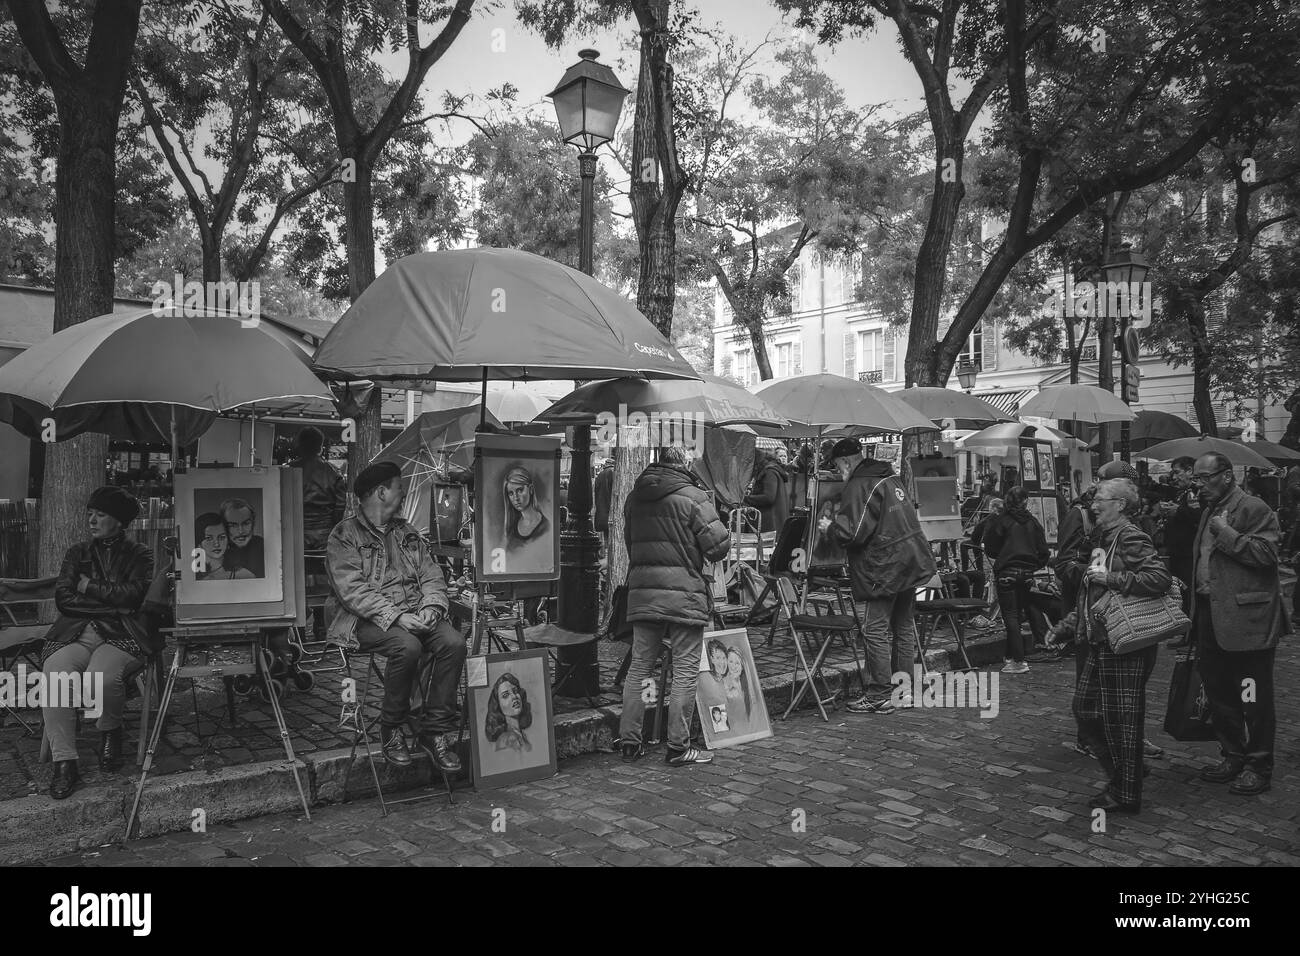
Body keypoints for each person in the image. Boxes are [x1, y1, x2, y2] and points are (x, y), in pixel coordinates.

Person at [326, 461, 465, 771]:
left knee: (453, 643)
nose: (403, 493)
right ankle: (392, 728)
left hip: (416, 613)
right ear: (381, 492)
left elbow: (432, 575)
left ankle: (434, 731)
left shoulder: (407, 532)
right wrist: (397, 616)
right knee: (408, 647)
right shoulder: (344, 534)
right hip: (365, 621)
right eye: (398, 487)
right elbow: (352, 592)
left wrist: (431, 608)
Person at [615, 445, 730, 766]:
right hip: (684, 594)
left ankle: (629, 742)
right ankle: (678, 747)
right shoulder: (694, 497)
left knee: (640, 667)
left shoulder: (634, 497)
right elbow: (718, 547)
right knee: (685, 670)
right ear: (686, 462)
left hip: (644, 592)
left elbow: (630, 543)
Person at [41, 487, 153, 798]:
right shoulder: (77, 553)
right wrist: (112, 603)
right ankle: (64, 761)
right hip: (77, 632)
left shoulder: (139, 554)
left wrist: (88, 585)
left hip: (121, 636)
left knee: (100, 677)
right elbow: (64, 599)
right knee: (55, 670)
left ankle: (110, 730)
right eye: (90, 513)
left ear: (118, 520)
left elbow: (134, 596)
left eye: (100, 514)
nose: (92, 519)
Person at [1069, 478, 1172, 814]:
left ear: (1121, 505)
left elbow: (1158, 579)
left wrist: (1112, 578)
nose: (1093, 505)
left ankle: (1126, 792)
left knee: (1123, 722)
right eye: (1093, 499)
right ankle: (1128, 772)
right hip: (1102, 639)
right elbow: (1091, 591)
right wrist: (1066, 626)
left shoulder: (1130, 536)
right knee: (1085, 709)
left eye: (1100, 499)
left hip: (1126, 642)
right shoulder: (1103, 539)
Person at [1189, 452, 1288, 797]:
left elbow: (1267, 555)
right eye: (1196, 478)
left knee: (1253, 696)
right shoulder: (1208, 511)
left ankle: (1258, 764)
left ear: (1227, 476)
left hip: (1248, 620)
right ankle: (1233, 754)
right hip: (1209, 614)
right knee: (1219, 693)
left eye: (1204, 477)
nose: (1197, 484)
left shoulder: (1254, 507)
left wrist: (1227, 533)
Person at [817, 437, 936, 715]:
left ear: (846, 461)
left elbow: (853, 533)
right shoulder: (889, 477)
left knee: (875, 630)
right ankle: (904, 690)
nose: (837, 473)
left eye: (836, 466)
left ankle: (880, 694)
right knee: (903, 628)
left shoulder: (861, 484)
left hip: (883, 567)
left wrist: (829, 526)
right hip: (909, 562)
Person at [981, 486, 1050, 673]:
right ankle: (1012, 658)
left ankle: (1018, 661)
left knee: (1011, 616)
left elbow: (990, 547)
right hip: (1027, 573)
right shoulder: (1033, 522)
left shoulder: (1001, 520)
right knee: (1017, 615)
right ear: (1025, 501)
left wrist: (1004, 555)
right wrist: (1032, 566)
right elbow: (1044, 551)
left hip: (1007, 572)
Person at [288, 426, 346, 553]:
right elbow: (340, 508)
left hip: (295, 531)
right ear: (320, 447)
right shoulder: (334, 473)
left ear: (300, 446)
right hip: (325, 534)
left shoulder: (288, 471)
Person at [1157, 456, 1200, 615]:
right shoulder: (1180, 493)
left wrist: (1178, 511)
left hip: (1189, 553)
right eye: (1172, 473)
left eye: (1177, 472)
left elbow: (1199, 517)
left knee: (1188, 592)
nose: (1174, 477)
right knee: (1181, 591)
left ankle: (1191, 633)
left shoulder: (1198, 491)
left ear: (1189, 471)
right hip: (1177, 551)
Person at [194, 513, 254, 581]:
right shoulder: (193, 575)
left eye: (222, 537)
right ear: (199, 543)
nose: (216, 544)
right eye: (209, 538)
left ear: (228, 539)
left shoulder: (244, 575)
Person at [743, 451, 790, 533]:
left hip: (770, 523)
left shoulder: (769, 472)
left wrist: (746, 498)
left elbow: (769, 497)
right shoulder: (771, 470)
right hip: (773, 522)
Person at [484, 673, 532, 753]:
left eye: (515, 691)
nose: (514, 697)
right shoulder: (506, 740)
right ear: (498, 705)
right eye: (506, 695)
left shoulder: (520, 733)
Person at [503, 466, 549, 549]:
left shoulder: (545, 527)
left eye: (520, 490)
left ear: (531, 489)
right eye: (511, 493)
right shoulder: (512, 528)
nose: (516, 498)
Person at [221, 497, 264, 577]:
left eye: (246, 523)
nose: (240, 531)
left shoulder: (264, 547)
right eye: (233, 525)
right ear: (223, 526)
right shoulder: (216, 553)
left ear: (253, 523)